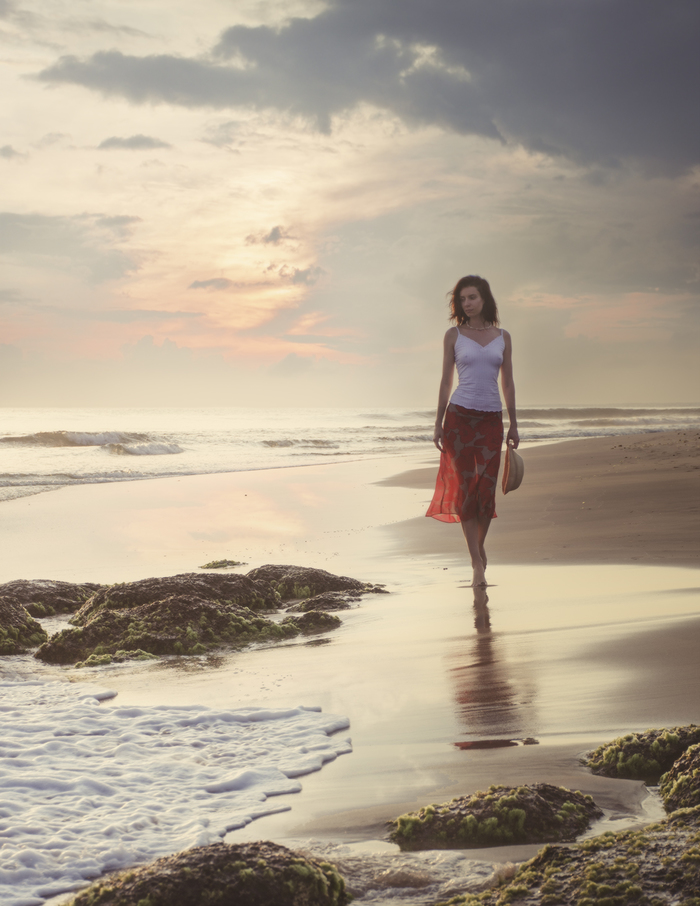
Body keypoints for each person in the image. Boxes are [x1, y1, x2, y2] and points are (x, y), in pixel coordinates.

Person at [426, 275, 519, 587]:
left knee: (486, 489)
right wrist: (438, 423)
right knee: (466, 489)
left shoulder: (503, 336)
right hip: (459, 419)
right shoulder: (453, 336)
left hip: (492, 419)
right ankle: (476, 562)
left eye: (472, 298)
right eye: (462, 299)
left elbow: (507, 382)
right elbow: (444, 382)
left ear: (484, 299)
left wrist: (515, 423)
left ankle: (477, 547)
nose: (467, 304)